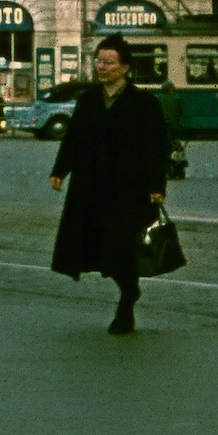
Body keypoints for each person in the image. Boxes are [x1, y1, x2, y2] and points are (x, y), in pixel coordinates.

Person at [48, 35, 168, 335]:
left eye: (109, 62)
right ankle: (128, 289)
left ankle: (127, 301)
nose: (102, 67)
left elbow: (157, 147)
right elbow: (75, 138)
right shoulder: (88, 99)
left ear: (125, 68)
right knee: (101, 246)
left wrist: (157, 186)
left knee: (124, 248)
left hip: (131, 190)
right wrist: (60, 170)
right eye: (99, 61)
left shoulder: (144, 103)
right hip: (92, 187)